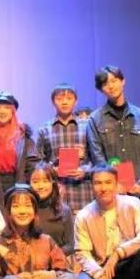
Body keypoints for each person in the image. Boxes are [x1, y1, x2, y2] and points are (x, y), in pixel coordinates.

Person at [85, 66, 140, 199]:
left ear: (123, 81)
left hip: (139, 190)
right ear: (101, 89)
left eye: (114, 80)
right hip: (111, 192)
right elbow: (97, 155)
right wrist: (111, 183)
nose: (111, 86)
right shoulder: (95, 119)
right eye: (105, 83)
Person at [38, 84, 95, 213]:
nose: (64, 102)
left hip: (83, 194)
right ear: (53, 101)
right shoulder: (45, 129)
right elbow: (38, 163)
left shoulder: (87, 126)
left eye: (69, 98)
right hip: (57, 194)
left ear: (76, 101)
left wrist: (84, 171)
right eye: (59, 98)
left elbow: (98, 159)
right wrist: (51, 170)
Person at [0, 92, 41, 201]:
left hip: (19, 185)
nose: (2, 111)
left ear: (13, 111)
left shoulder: (24, 137)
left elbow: (33, 164)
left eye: (7, 108)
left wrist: (25, 182)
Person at [27, 162, 75, 258]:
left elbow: (71, 245)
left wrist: (51, 256)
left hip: (57, 261)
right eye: (35, 182)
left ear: (53, 183)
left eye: (45, 181)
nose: (40, 186)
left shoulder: (64, 210)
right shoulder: (24, 211)